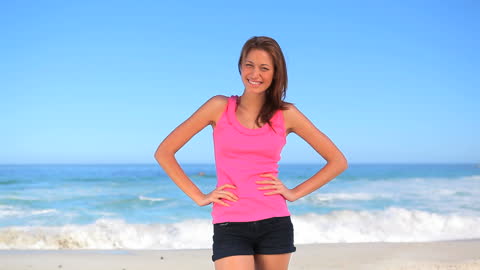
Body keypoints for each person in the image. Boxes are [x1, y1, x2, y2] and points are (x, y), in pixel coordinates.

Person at [154, 36, 348, 270]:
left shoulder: (287, 114)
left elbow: (337, 161)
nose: (255, 74)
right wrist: (199, 196)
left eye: (264, 68)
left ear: (276, 73)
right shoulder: (218, 107)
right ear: (240, 66)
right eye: (249, 65)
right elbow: (164, 152)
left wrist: (294, 193)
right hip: (230, 223)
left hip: (275, 222)